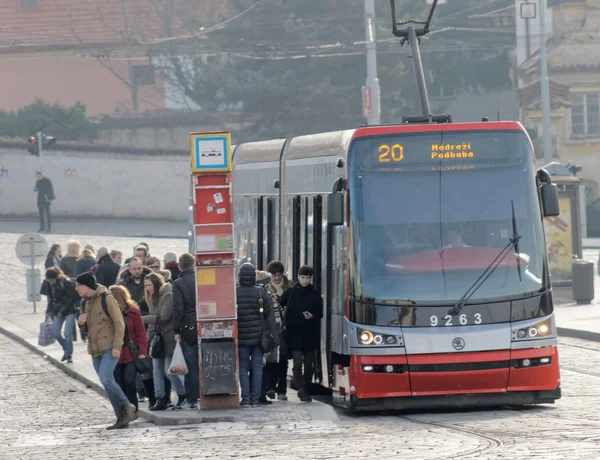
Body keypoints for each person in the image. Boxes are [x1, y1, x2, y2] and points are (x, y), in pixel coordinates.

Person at [76, 272, 137, 430]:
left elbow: (119, 323)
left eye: (78, 285)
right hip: (95, 349)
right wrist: (81, 324)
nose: (76, 288)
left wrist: (117, 346)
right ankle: (120, 417)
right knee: (105, 382)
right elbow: (87, 329)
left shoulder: (107, 298)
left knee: (106, 378)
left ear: (86, 285)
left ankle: (127, 405)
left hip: (110, 347)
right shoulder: (86, 302)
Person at [236, 263, 279, 407]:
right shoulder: (261, 293)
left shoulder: (234, 293)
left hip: (241, 337)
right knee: (257, 367)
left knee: (242, 367)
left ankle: (246, 398)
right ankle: (255, 398)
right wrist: (276, 338)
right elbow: (270, 317)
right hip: (259, 337)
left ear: (240, 276)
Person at [143, 272, 186, 411]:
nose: (148, 288)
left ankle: (182, 393)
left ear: (156, 283)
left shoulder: (167, 294)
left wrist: (143, 319)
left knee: (169, 371)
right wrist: (148, 338)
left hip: (167, 337)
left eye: (149, 285)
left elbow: (164, 317)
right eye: (146, 285)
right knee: (156, 371)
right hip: (156, 338)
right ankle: (159, 399)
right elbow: (154, 321)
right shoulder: (152, 297)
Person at [280, 265, 323, 403]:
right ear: (298, 277)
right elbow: (279, 304)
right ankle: (302, 390)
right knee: (297, 364)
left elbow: (320, 313)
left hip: (310, 334)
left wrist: (312, 316)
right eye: (303, 277)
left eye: (308, 278)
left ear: (311, 278)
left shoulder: (315, 294)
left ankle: (305, 389)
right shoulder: (290, 292)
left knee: (309, 365)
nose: (305, 280)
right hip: (294, 334)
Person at [109, 285, 148, 413]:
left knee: (129, 380)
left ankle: (134, 409)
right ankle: (123, 411)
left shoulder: (133, 312)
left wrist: (142, 351)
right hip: (115, 353)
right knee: (119, 383)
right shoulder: (108, 315)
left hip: (131, 352)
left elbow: (141, 333)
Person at [261, 260, 292, 402]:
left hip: (287, 329)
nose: (277, 278)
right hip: (272, 329)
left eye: (279, 275)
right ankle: (271, 388)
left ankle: (282, 390)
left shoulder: (291, 287)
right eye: (274, 275)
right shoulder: (265, 289)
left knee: (284, 360)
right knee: (271, 360)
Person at [173, 253, 199, 409]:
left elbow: (178, 309)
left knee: (191, 364)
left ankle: (192, 398)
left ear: (179, 266)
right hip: (204, 321)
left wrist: (177, 329)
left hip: (188, 326)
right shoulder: (201, 279)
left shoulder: (179, 283)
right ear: (194, 264)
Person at [44, 267, 79, 363]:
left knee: (68, 333)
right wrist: (48, 311)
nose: (51, 282)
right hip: (57, 310)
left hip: (70, 310)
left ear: (57, 277)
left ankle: (68, 355)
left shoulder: (66, 282)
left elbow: (70, 299)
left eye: (53, 280)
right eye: (49, 280)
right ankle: (66, 349)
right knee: (56, 333)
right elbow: (50, 299)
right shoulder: (48, 284)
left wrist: (62, 311)